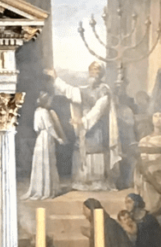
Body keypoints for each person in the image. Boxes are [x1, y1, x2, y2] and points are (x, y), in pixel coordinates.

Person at [49, 61, 121, 190]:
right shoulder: (85, 89)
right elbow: (70, 91)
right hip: (84, 127)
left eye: (97, 71)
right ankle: (83, 181)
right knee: (82, 148)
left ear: (101, 74)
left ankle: (97, 182)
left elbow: (98, 110)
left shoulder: (104, 90)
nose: (94, 73)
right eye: (92, 71)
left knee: (95, 148)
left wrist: (83, 121)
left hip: (98, 127)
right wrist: (56, 78)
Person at [24, 92, 66, 199]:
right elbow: (50, 127)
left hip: (40, 139)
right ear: (45, 101)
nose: (50, 103)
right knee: (47, 161)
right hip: (47, 138)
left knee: (41, 162)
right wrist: (58, 138)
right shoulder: (45, 112)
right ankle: (47, 190)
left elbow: (36, 128)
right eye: (49, 101)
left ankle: (40, 188)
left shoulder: (37, 111)